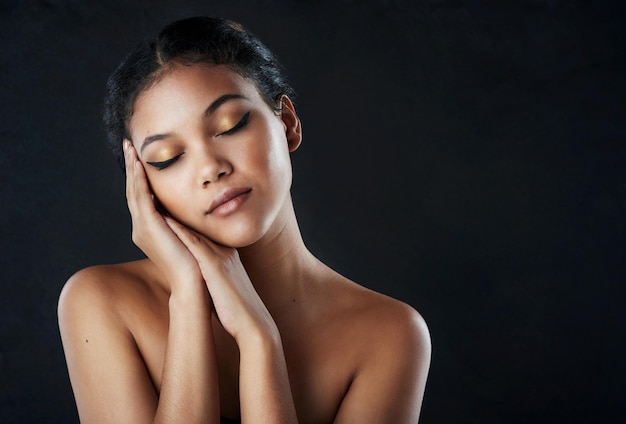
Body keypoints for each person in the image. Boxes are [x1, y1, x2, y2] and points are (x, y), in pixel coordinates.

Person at [58, 16, 430, 424]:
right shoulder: (102, 302)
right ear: (142, 184)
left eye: (230, 125)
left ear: (287, 123)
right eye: (168, 158)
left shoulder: (390, 334)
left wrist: (259, 342)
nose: (210, 168)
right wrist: (188, 297)